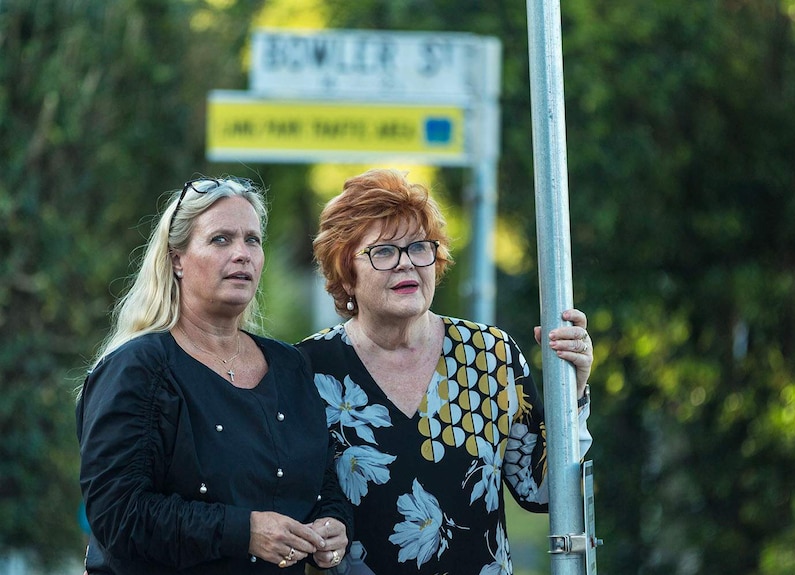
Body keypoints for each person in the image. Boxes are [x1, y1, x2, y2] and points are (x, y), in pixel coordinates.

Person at [297, 168, 593, 575]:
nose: (407, 264)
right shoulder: (307, 370)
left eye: (420, 247)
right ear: (346, 273)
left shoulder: (490, 356)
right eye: (383, 251)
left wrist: (572, 391)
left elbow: (540, 491)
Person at [76, 176, 351, 574]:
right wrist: (245, 531)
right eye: (221, 239)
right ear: (176, 259)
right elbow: (118, 516)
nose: (242, 254)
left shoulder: (290, 365)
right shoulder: (138, 369)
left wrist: (334, 524)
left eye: (252, 240)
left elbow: (322, 480)